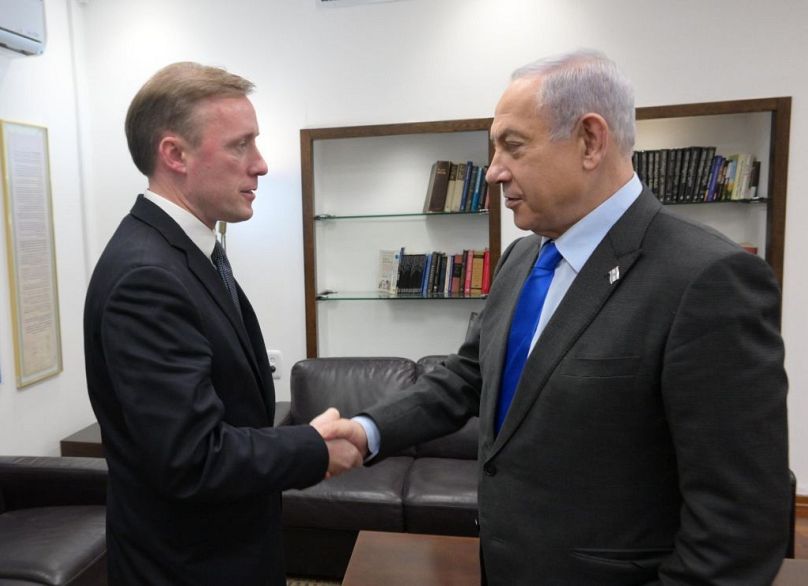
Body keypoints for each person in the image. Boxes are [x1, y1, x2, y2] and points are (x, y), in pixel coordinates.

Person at [322, 49, 790, 585]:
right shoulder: (523, 257)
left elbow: (740, 523)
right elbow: (468, 377)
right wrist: (368, 430)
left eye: (512, 146)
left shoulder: (708, 279)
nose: (494, 170)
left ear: (590, 141)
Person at [83, 62, 362, 586]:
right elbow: (192, 457)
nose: (259, 165)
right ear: (175, 154)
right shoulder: (148, 275)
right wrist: (312, 445)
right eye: (241, 145)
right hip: (187, 568)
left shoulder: (186, 253)